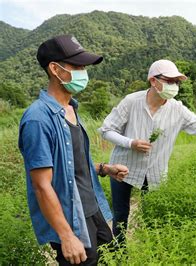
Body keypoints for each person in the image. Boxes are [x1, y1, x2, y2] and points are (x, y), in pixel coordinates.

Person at [18, 35, 129, 265]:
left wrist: (104, 169)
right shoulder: (38, 119)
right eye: (77, 66)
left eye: (84, 66)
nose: (83, 71)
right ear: (55, 69)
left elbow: (72, 165)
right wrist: (66, 235)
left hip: (91, 207)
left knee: (111, 258)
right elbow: (41, 185)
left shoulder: (71, 109)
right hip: (71, 219)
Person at [99, 59, 196, 244]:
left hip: (155, 171)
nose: (173, 85)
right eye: (169, 80)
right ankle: (119, 255)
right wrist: (131, 143)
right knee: (121, 215)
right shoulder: (132, 102)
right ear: (153, 81)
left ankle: (151, 252)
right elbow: (106, 130)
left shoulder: (177, 109)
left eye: (176, 82)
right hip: (123, 167)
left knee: (152, 217)